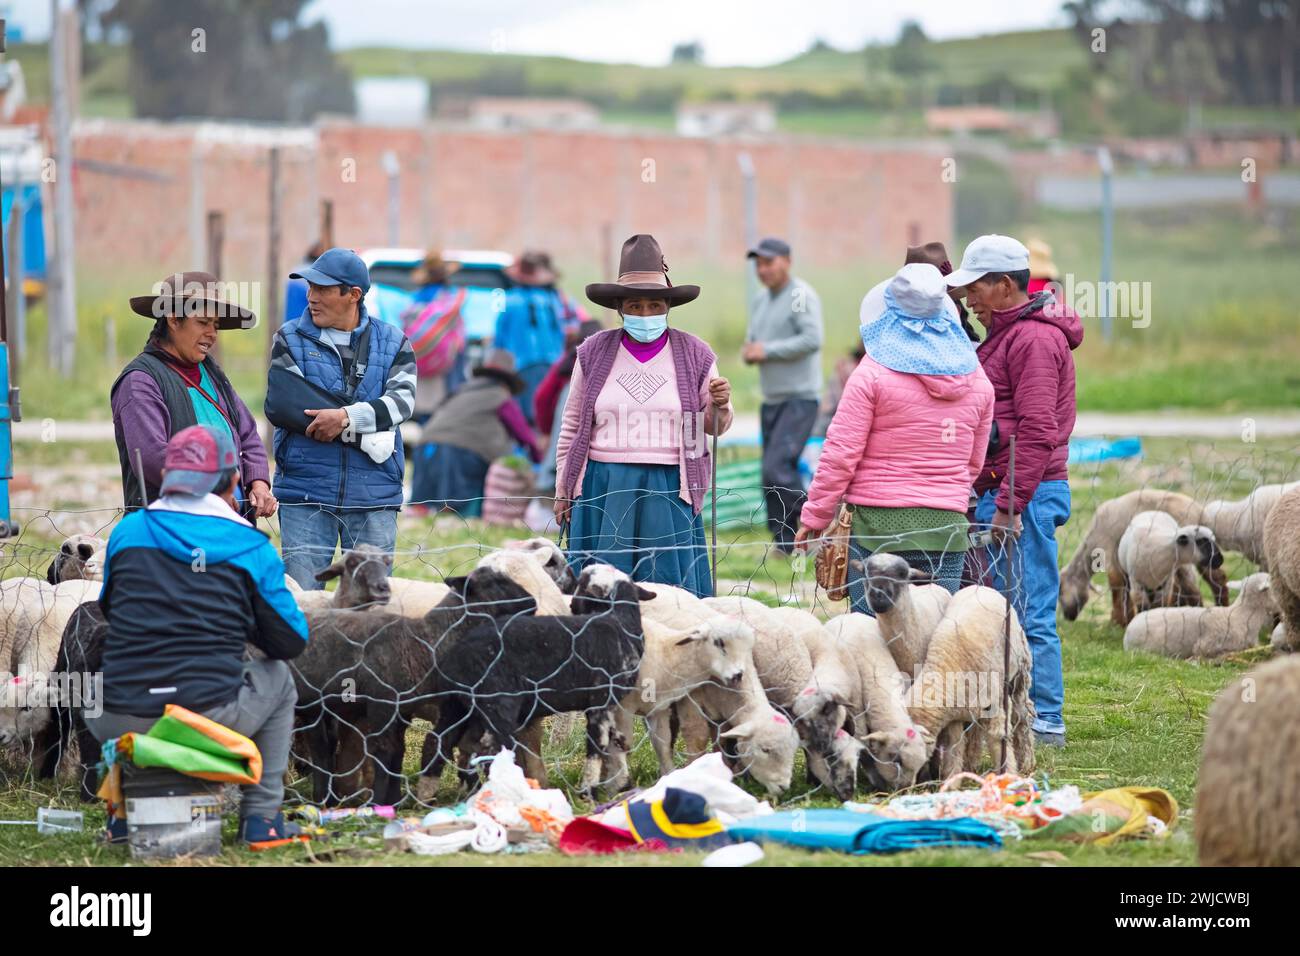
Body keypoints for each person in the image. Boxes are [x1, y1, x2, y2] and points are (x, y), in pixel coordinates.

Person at [85, 425, 308, 845]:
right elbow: (290, 641)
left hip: (115, 716)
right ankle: (262, 820)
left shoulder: (128, 532)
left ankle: (120, 816)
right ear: (233, 481)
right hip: (201, 717)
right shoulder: (248, 545)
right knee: (278, 678)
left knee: (114, 669)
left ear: (168, 478)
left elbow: (111, 610)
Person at [945, 234, 1083, 748]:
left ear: (1005, 285)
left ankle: (1045, 718)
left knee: (1030, 608)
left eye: (976, 287)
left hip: (1027, 494)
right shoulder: (1004, 336)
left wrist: (1009, 505)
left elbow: (1037, 430)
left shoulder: (1033, 342)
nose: (970, 299)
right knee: (1003, 608)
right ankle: (1013, 709)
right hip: (1007, 491)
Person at [793, 263, 994, 608]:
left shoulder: (870, 374)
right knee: (933, 629)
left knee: (871, 634)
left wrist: (815, 514)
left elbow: (841, 454)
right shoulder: (978, 380)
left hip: (877, 527)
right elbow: (973, 462)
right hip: (946, 526)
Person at [555, 234, 732, 598]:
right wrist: (563, 488)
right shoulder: (593, 353)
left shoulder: (695, 355)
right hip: (603, 486)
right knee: (602, 592)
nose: (645, 314)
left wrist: (719, 406)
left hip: (669, 488)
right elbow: (572, 425)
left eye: (654, 306)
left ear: (668, 307)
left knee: (667, 593)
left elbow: (705, 430)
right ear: (620, 307)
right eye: (635, 306)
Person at [270, 247, 417, 589]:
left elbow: (401, 403)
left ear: (353, 295)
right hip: (304, 493)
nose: (311, 297)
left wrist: (344, 418)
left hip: (375, 496)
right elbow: (284, 405)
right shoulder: (289, 338)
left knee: (371, 607)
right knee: (302, 604)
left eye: (322, 289)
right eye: (310, 288)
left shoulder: (394, 341)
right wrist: (370, 423)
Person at [111, 271, 276, 519]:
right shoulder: (140, 381)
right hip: (170, 530)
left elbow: (248, 435)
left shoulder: (212, 374)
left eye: (216, 325)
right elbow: (153, 458)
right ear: (174, 319)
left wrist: (259, 482)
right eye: (203, 322)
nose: (212, 333)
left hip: (228, 525)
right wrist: (215, 493)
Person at [743, 236, 824, 558]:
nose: (763, 270)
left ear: (787, 261)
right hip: (772, 399)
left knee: (779, 468)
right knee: (769, 472)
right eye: (758, 264)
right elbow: (756, 338)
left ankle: (818, 523)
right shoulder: (762, 299)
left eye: (769, 262)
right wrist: (751, 350)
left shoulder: (799, 296)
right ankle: (785, 542)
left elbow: (812, 339)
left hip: (799, 399)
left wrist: (767, 351)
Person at [410, 349, 543, 516]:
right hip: (460, 454)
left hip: (425, 447)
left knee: (425, 506)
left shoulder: (461, 390)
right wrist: (540, 461)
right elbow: (524, 435)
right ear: (506, 382)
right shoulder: (500, 396)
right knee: (459, 514)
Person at [495, 250, 588, 426]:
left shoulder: (507, 301)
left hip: (521, 367)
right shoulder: (560, 301)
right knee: (552, 419)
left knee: (526, 420)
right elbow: (579, 328)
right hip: (554, 368)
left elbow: (499, 340)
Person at [534, 318, 604, 496]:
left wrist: (546, 430)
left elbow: (542, 397)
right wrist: (546, 430)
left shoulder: (566, 362)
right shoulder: (590, 362)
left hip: (564, 426)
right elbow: (542, 397)